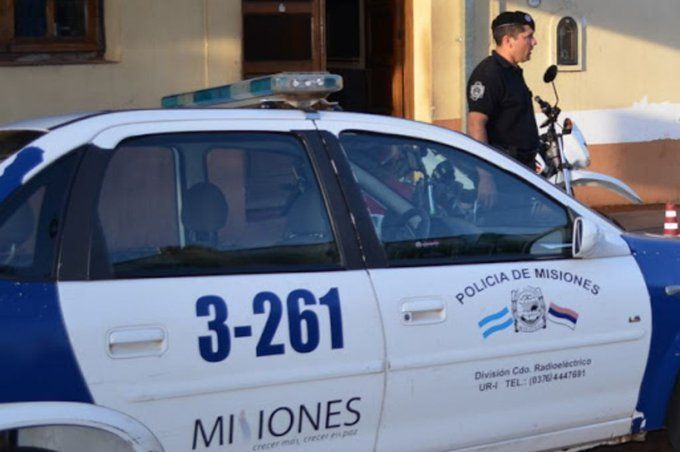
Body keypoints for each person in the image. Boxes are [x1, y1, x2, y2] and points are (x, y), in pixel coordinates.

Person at [466, 10, 539, 206]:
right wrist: (486, 177)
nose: (534, 42)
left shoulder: (511, 71)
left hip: (520, 170)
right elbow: (476, 123)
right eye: (528, 37)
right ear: (508, 41)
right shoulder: (489, 74)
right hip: (502, 175)